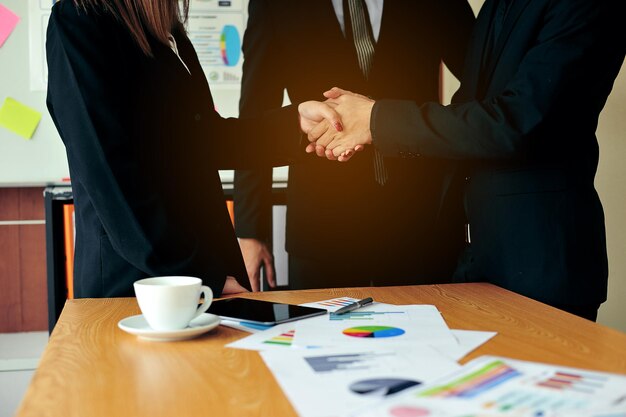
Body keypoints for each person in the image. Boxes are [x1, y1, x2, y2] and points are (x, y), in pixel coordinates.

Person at [305, 0, 626, 320]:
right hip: (472, 265)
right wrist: (363, 129)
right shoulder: (495, 5)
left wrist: (377, 120)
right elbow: (470, 109)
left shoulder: (587, 6)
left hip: (541, 263)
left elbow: (516, 123)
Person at [45, 0, 339, 298]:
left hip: (202, 267)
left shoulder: (167, 32)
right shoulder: (76, 21)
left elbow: (204, 138)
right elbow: (110, 175)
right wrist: (201, 275)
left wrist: (296, 122)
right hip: (142, 284)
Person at [233, 0, 475, 291]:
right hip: (322, 224)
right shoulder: (275, 6)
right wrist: (249, 232)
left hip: (422, 217)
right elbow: (255, 113)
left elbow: (482, 77)